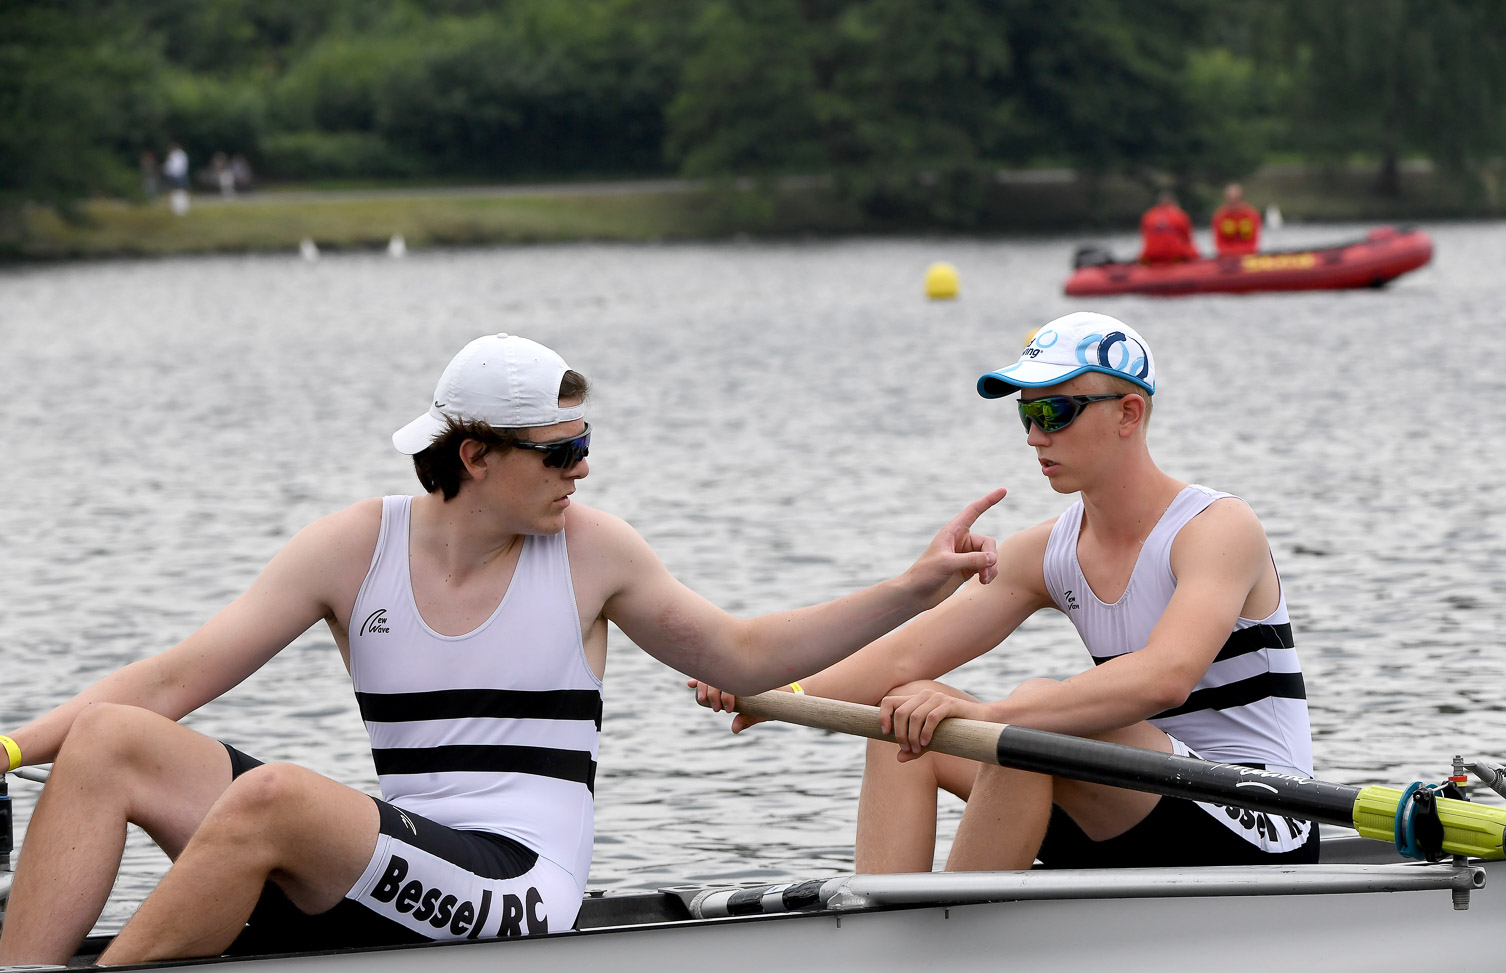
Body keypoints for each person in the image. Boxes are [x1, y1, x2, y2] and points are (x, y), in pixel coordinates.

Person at [0, 333, 1004, 966]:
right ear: (476, 455)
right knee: (105, 738)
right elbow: (171, 679)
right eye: (560, 451)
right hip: (398, 856)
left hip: (518, 888)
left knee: (276, 799)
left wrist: (911, 586)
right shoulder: (355, 546)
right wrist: (8, 752)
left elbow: (744, 654)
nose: (583, 469)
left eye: (585, 443)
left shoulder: (592, 550)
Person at [695, 311, 1317, 876]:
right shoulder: (1045, 551)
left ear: (1128, 413)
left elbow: (1166, 677)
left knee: (1033, 707)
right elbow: (904, 658)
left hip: (1261, 814)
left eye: (1056, 413)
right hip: (1127, 802)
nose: (1033, 437)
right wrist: (773, 692)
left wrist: (997, 721)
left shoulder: (1217, 528)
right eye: (1026, 415)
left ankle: (957, 945)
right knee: (904, 709)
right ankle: (883, 928)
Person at [1138, 189, 1200, 264]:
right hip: (1174, 256)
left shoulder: (1148, 216)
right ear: (1174, 203)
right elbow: (1187, 238)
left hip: (1150, 256)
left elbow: (1145, 237)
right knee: (1192, 251)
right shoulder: (1179, 214)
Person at [1212, 183, 1261, 256]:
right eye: (1231, 200)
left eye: (1236, 199)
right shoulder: (1220, 216)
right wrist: (1230, 254)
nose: (1233, 203)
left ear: (1241, 198)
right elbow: (1219, 243)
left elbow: (1253, 242)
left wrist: (1242, 253)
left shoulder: (1251, 215)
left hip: (1247, 254)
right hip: (1226, 256)